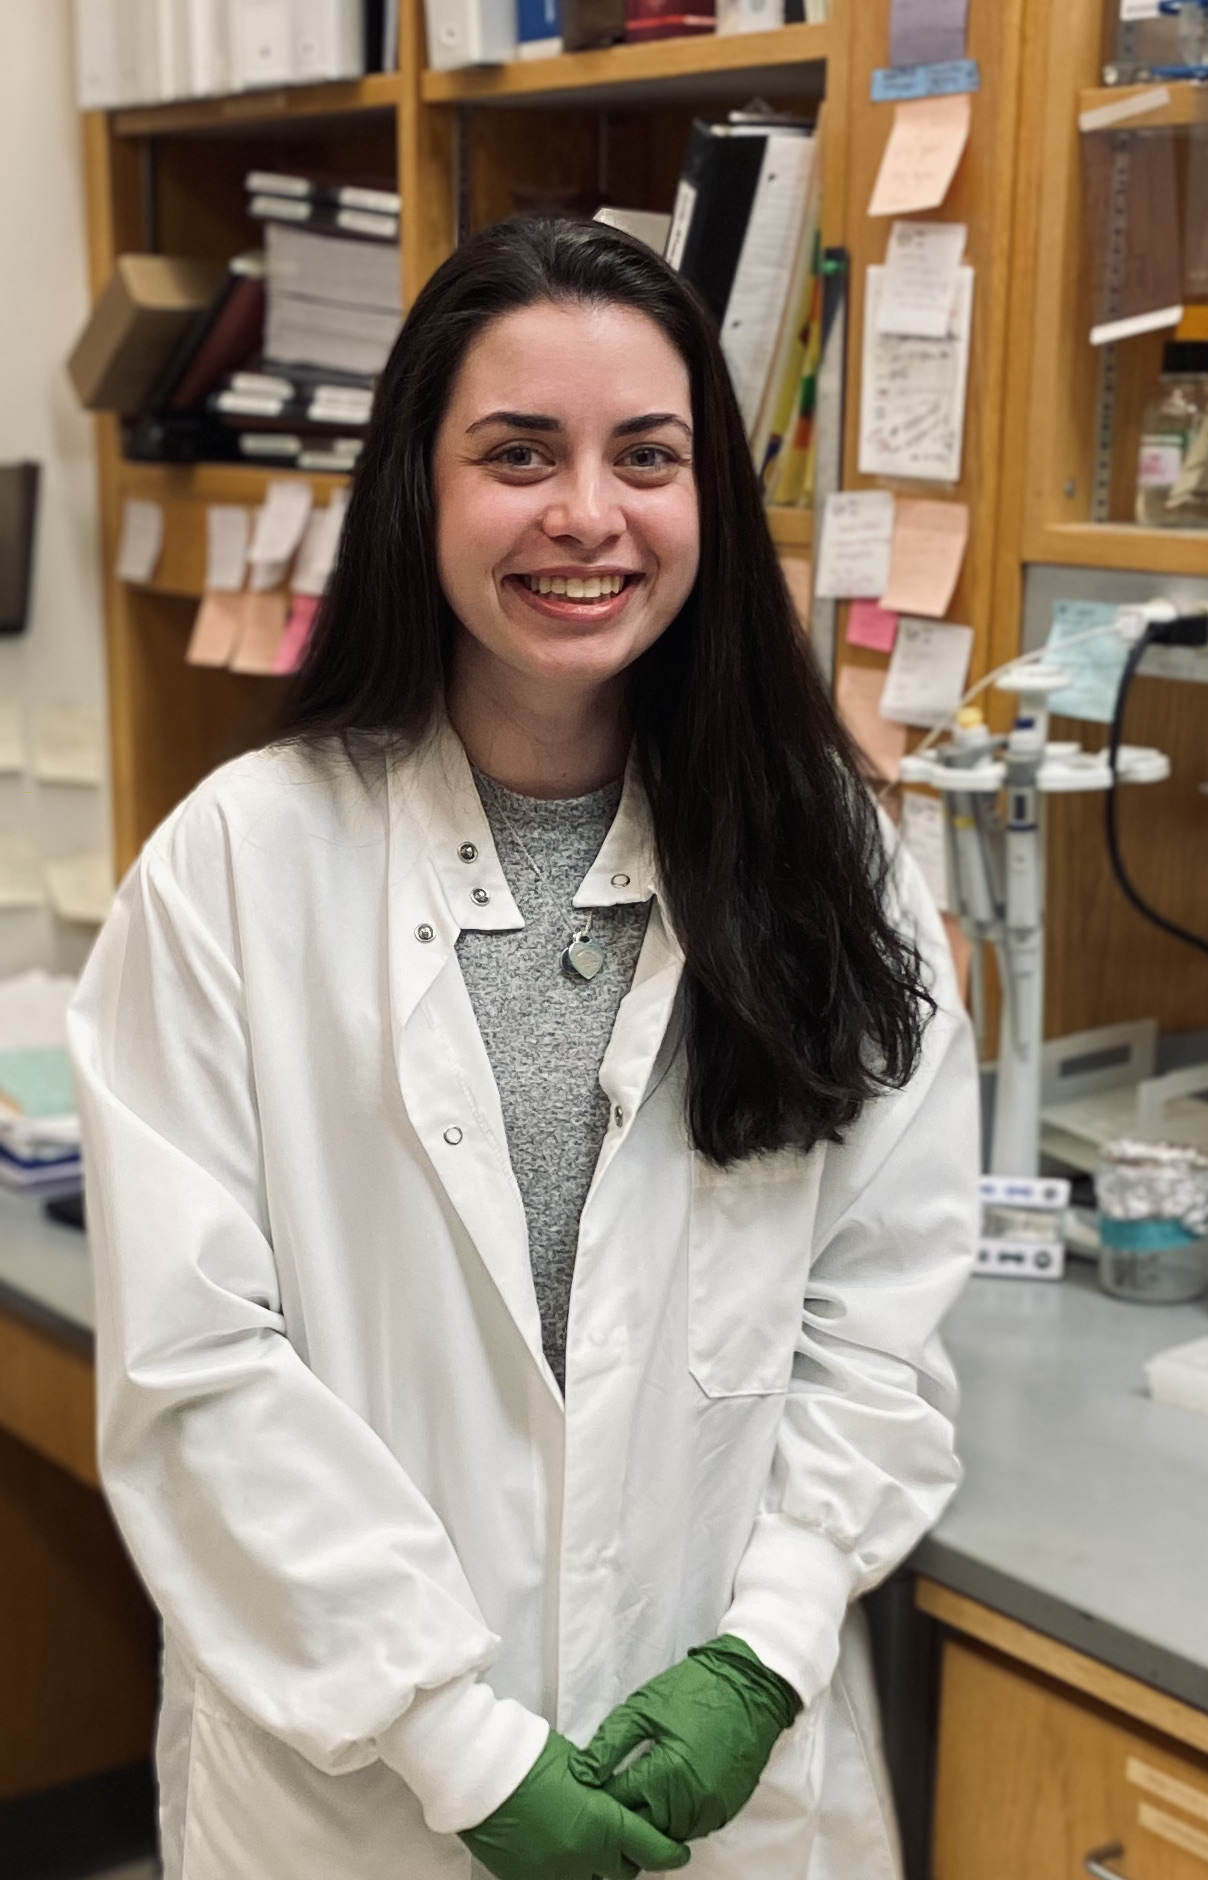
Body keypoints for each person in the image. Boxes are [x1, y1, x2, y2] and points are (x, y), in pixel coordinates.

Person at [70, 217, 980, 1880]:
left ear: (708, 495)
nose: (587, 515)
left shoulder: (829, 858)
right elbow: (196, 1379)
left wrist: (762, 1653)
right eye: (518, 454)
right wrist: (457, 1740)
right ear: (420, 488)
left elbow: (880, 1318)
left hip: (718, 1773)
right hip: (352, 1794)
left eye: (647, 455)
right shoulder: (238, 866)